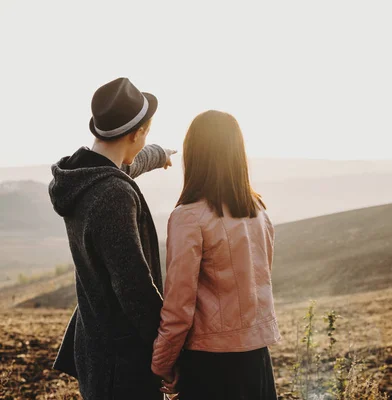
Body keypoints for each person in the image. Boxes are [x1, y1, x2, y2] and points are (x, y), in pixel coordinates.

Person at [49, 77, 176, 400]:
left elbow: (122, 168)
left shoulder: (82, 180)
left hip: (97, 350)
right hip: (124, 364)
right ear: (138, 133)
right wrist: (168, 350)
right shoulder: (113, 195)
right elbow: (133, 288)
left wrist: (157, 154)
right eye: (147, 133)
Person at [151, 110, 280, 400]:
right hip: (257, 361)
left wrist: (163, 363)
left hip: (211, 367)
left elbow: (179, 306)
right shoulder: (258, 212)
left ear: (194, 155)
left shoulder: (188, 217)